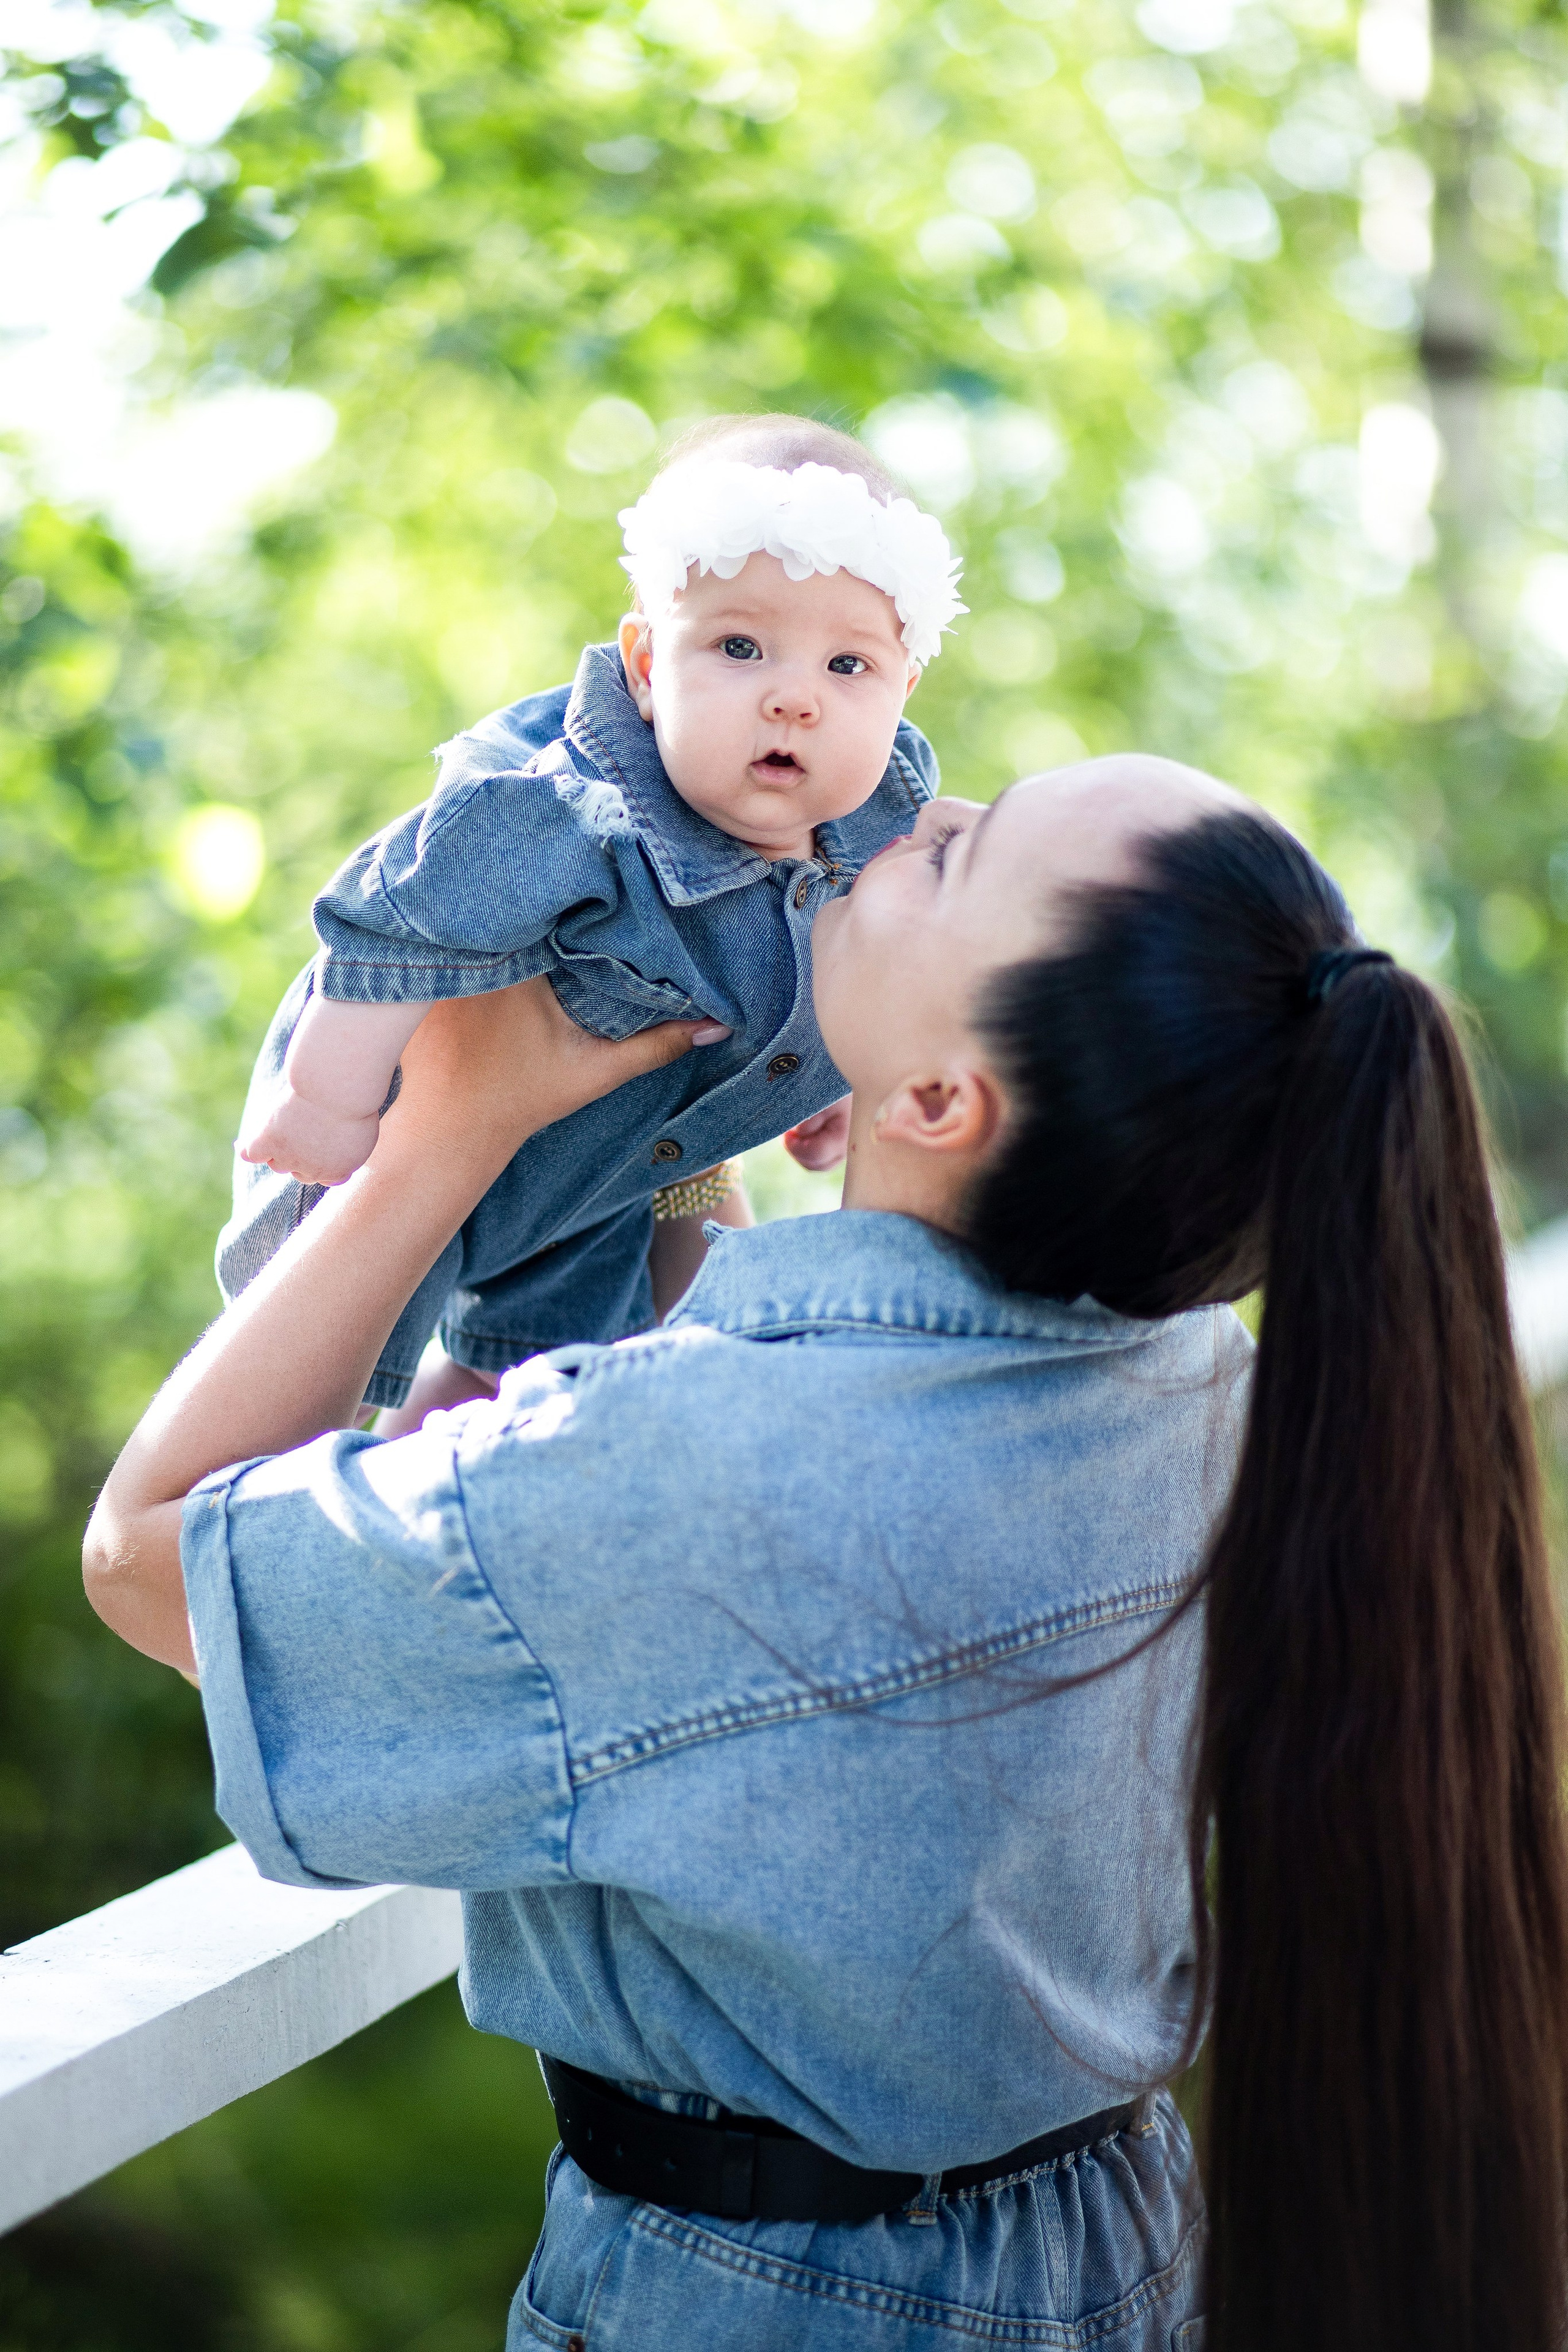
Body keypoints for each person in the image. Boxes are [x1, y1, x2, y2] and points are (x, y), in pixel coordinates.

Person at [85, 756, 1568, 2352]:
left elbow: (152, 1551)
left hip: (763, 2303)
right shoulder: (1203, 1393)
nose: (908, 808)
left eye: (959, 855)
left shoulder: (698, 1476)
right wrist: (680, 1156)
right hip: (1122, 2249)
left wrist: (450, 1135)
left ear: (940, 1100)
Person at [221, 413, 961, 1430]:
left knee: (547, 1386)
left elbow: (838, 965)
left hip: (605, 1184)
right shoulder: (575, 811)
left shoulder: (886, 832)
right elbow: (396, 914)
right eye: (741, 647)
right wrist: (327, 1097)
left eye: (849, 667)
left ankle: (436, 1489)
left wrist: (828, 1071)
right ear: (650, 665)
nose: (795, 698)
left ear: (905, 685)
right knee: (304, 1394)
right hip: (393, 1123)